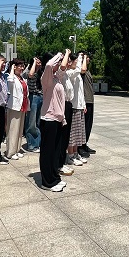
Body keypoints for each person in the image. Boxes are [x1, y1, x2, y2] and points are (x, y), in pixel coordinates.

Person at [38, 50, 70, 192]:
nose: (58, 65)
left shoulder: (57, 78)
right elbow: (49, 65)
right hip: (48, 119)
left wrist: (66, 55)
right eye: (57, 62)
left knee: (55, 152)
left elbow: (63, 68)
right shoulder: (46, 77)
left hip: (57, 119)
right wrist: (60, 54)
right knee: (48, 152)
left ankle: (54, 177)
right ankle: (47, 182)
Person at [5, 58, 29, 160]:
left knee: (19, 131)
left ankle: (17, 149)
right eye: (19, 66)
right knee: (13, 130)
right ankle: (10, 152)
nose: (22, 68)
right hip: (14, 107)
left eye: (23, 66)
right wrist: (12, 69)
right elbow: (10, 81)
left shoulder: (21, 78)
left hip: (22, 106)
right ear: (14, 67)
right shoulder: (12, 77)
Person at [66, 53, 87, 166]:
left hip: (79, 106)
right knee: (72, 134)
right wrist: (80, 58)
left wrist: (83, 105)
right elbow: (79, 70)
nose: (76, 63)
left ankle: (75, 153)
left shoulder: (77, 74)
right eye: (75, 61)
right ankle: (70, 155)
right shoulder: (69, 73)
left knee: (78, 134)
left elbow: (80, 91)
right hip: (73, 107)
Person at [22, 56, 42, 153]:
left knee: (38, 122)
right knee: (31, 122)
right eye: (36, 61)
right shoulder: (29, 70)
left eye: (39, 61)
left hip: (41, 96)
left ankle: (37, 143)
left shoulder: (42, 71)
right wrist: (33, 63)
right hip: (33, 96)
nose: (38, 63)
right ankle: (32, 145)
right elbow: (30, 75)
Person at [79, 52, 96, 157]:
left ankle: (85, 144)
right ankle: (80, 146)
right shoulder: (80, 69)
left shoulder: (88, 71)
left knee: (88, 124)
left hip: (90, 100)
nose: (88, 59)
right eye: (87, 57)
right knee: (83, 125)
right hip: (85, 101)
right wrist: (83, 57)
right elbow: (83, 70)